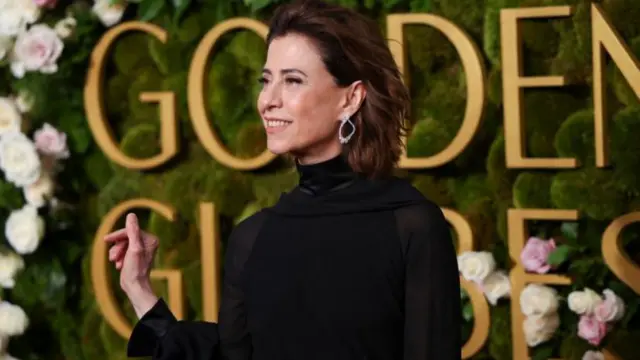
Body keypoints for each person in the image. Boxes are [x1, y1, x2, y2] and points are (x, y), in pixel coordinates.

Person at [105, 0, 462, 359]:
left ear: (351, 98)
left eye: (293, 81)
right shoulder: (252, 238)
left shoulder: (412, 226)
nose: (267, 100)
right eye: (266, 80)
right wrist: (138, 288)